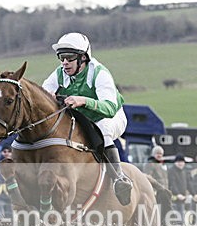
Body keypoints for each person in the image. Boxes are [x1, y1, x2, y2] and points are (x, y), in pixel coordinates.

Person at [41, 32, 133, 206]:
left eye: (69, 57)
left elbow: (110, 108)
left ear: (83, 57)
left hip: (109, 117)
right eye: (61, 57)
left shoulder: (99, 73)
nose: (64, 62)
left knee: (103, 128)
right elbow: (43, 93)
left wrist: (83, 100)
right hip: (82, 119)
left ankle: (119, 179)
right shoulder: (59, 73)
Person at [167, 154, 190, 221]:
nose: (181, 164)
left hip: (182, 199)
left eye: (182, 162)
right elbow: (172, 183)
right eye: (179, 162)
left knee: (181, 219)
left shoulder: (184, 171)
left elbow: (188, 183)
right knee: (174, 219)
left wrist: (192, 193)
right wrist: (177, 194)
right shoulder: (172, 171)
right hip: (174, 198)